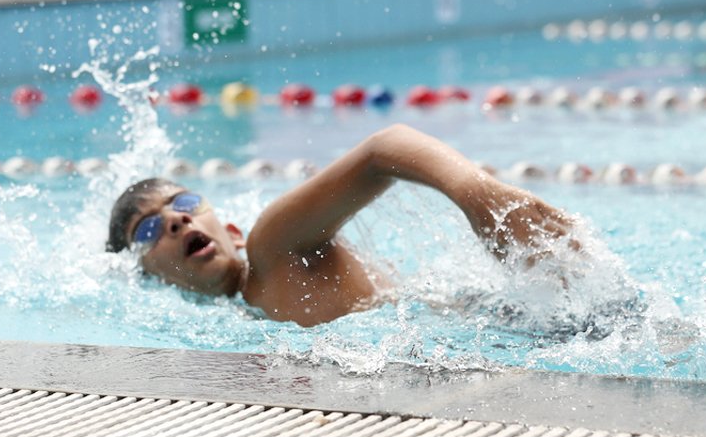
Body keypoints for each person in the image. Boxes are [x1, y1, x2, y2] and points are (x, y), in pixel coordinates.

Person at [107, 124, 577, 327]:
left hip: (514, 321)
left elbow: (383, 149)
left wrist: (479, 196)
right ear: (148, 278)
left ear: (231, 232)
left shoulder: (273, 245)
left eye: (183, 202)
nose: (175, 219)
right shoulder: (228, 323)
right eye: (147, 232)